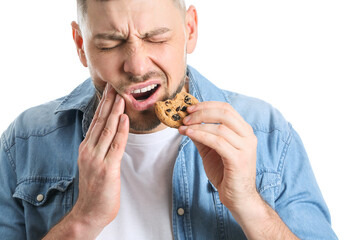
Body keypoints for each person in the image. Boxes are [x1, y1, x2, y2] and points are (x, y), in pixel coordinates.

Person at [0, 0, 338, 239]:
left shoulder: (268, 135)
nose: (136, 65)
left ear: (189, 30)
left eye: (156, 38)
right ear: (80, 45)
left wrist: (248, 202)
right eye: (110, 44)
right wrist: (83, 219)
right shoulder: (26, 142)